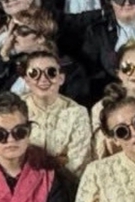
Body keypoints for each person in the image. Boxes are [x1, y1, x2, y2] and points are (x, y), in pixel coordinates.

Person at [16, 50, 92, 178]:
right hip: (23, 183)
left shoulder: (77, 113)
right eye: (34, 73)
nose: (43, 79)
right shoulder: (16, 110)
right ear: (27, 80)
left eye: (51, 72)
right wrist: (58, 160)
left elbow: (77, 163)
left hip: (63, 186)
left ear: (61, 78)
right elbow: (13, 158)